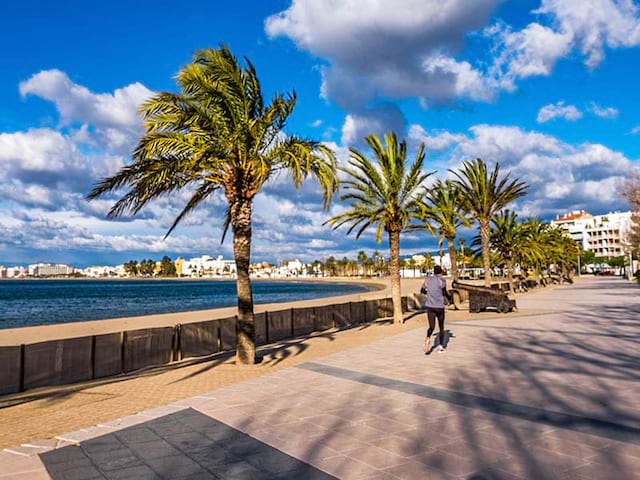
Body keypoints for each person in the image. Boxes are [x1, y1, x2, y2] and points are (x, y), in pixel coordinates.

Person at [422, 265, 452, 354]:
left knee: (431, 327)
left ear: (434, 272)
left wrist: (429, 293)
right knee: (441, 327)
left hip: (430, 307)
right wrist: (449, 298)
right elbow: (444, 292)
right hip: (439, 307)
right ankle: (441, 346)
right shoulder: (442, 280)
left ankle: (427, 338)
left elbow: (422, 290)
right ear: (440, 272)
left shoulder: (427, 280)